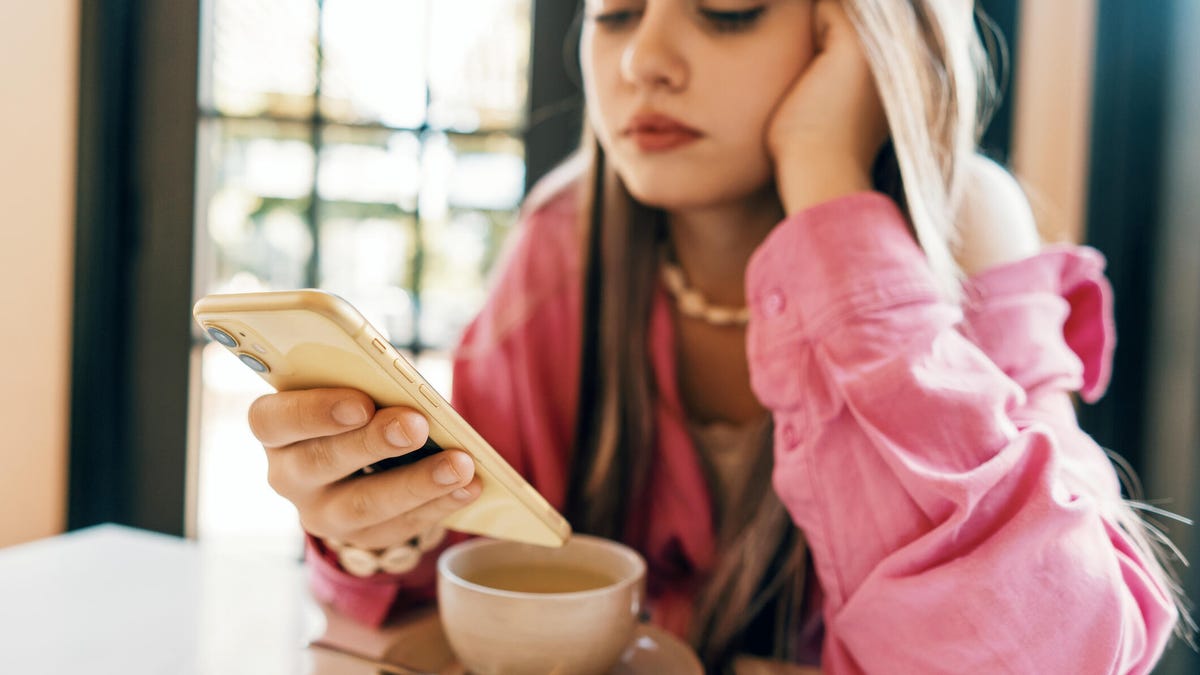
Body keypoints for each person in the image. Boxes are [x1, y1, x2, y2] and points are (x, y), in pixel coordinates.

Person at [246, 1, 1185, 672]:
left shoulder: (969, 224)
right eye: (614, 13)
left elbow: (1060, 647)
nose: (643, 59)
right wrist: (375, 528)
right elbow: (457, 587)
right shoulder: (562, 242)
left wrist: (829, 186)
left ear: (856, 36)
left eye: (726, 10)